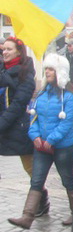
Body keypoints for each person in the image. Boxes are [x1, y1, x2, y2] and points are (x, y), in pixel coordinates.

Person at [9, 54, 73, 229]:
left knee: (67, 179)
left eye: (51, 69)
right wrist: (35, 136)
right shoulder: (41, 94)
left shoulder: (69, 97)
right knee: (37, 180)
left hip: (63, 147)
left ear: (60, 72)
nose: (47, 72)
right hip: (41, 147)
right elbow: (34, 118)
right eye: (46, 68)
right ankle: (27, 216)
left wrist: (52, 139)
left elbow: (67, 123)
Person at [0, 37, 37, 199]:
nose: (5, 52)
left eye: (9, 49)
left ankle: (40, 199)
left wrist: (2, 123)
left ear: (18, 52)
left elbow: (18, 104)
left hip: (19, 126)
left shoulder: (25, 74)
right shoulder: (3, 70)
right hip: (4, 124)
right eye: (3, 49)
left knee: (30, 167)